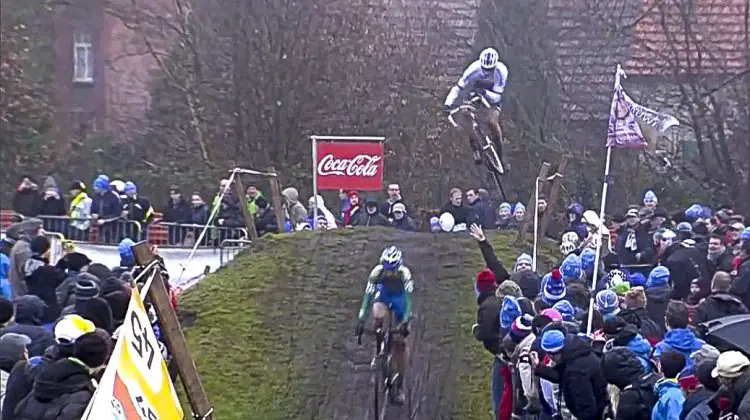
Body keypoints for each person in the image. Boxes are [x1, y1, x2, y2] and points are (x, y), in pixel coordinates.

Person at [355, 246, 413, 405]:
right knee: (377, 311)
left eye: (393, 269)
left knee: (400, 344)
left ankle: (400, 383)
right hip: (385, 295)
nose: (390, 273)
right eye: (387, 269)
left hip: (400, 298)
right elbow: (367, 298)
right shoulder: (376, 273)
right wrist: (361, 319)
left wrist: (405, 322)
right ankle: (379, 346)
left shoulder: (405, 275)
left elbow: (409, 304)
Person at [444, 47, 508, 164]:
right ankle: (475, 148)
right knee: (465, 115)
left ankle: (500, 154)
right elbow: (458, 88)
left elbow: (498, 96)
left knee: (492, 122)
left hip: (492, 96)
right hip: (474, 95)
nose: (486, 72)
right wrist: (448, 104)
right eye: (484, 69)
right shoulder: (473, 69)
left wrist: (486, 93)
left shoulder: (501, 71)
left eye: (490, 70)